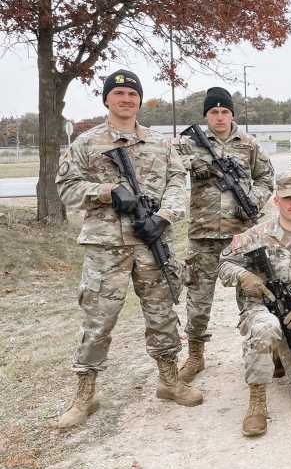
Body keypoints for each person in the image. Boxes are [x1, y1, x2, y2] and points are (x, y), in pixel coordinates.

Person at [55, 69, 201, 429]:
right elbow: (67, 188)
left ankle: (169, 382)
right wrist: (104, 192)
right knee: (98, 321)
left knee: (162, 315)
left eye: (132, 94)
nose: (125, 99)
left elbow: (178, 182)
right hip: (107, 248)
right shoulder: (87, 144)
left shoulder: (159, 143)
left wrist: (164, 218)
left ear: (139, 100)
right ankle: (85, 396)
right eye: (118, 93)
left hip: (151, 244)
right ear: (107, 99)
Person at [217, 171, 291, 436]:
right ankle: (257, 402)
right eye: (287, 198)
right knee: (265, 328)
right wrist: (244, 275)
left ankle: (278, 353)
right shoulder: (255, 234)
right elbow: (224, 265)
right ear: (276, 201)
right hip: (259, 308)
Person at [172, 87, 275, 383]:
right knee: (198, 298)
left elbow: (267, 178)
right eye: (214, 112)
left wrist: (253, 201)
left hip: (240, 236)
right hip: (203, 234)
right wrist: (199, 165)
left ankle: (267, 349)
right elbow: (172, 166)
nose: (219, 117)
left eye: (225, 111)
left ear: (232, 114)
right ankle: (195, 356)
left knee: (253, 292)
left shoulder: (248, 144)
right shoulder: (189, 143)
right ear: (206, 115)